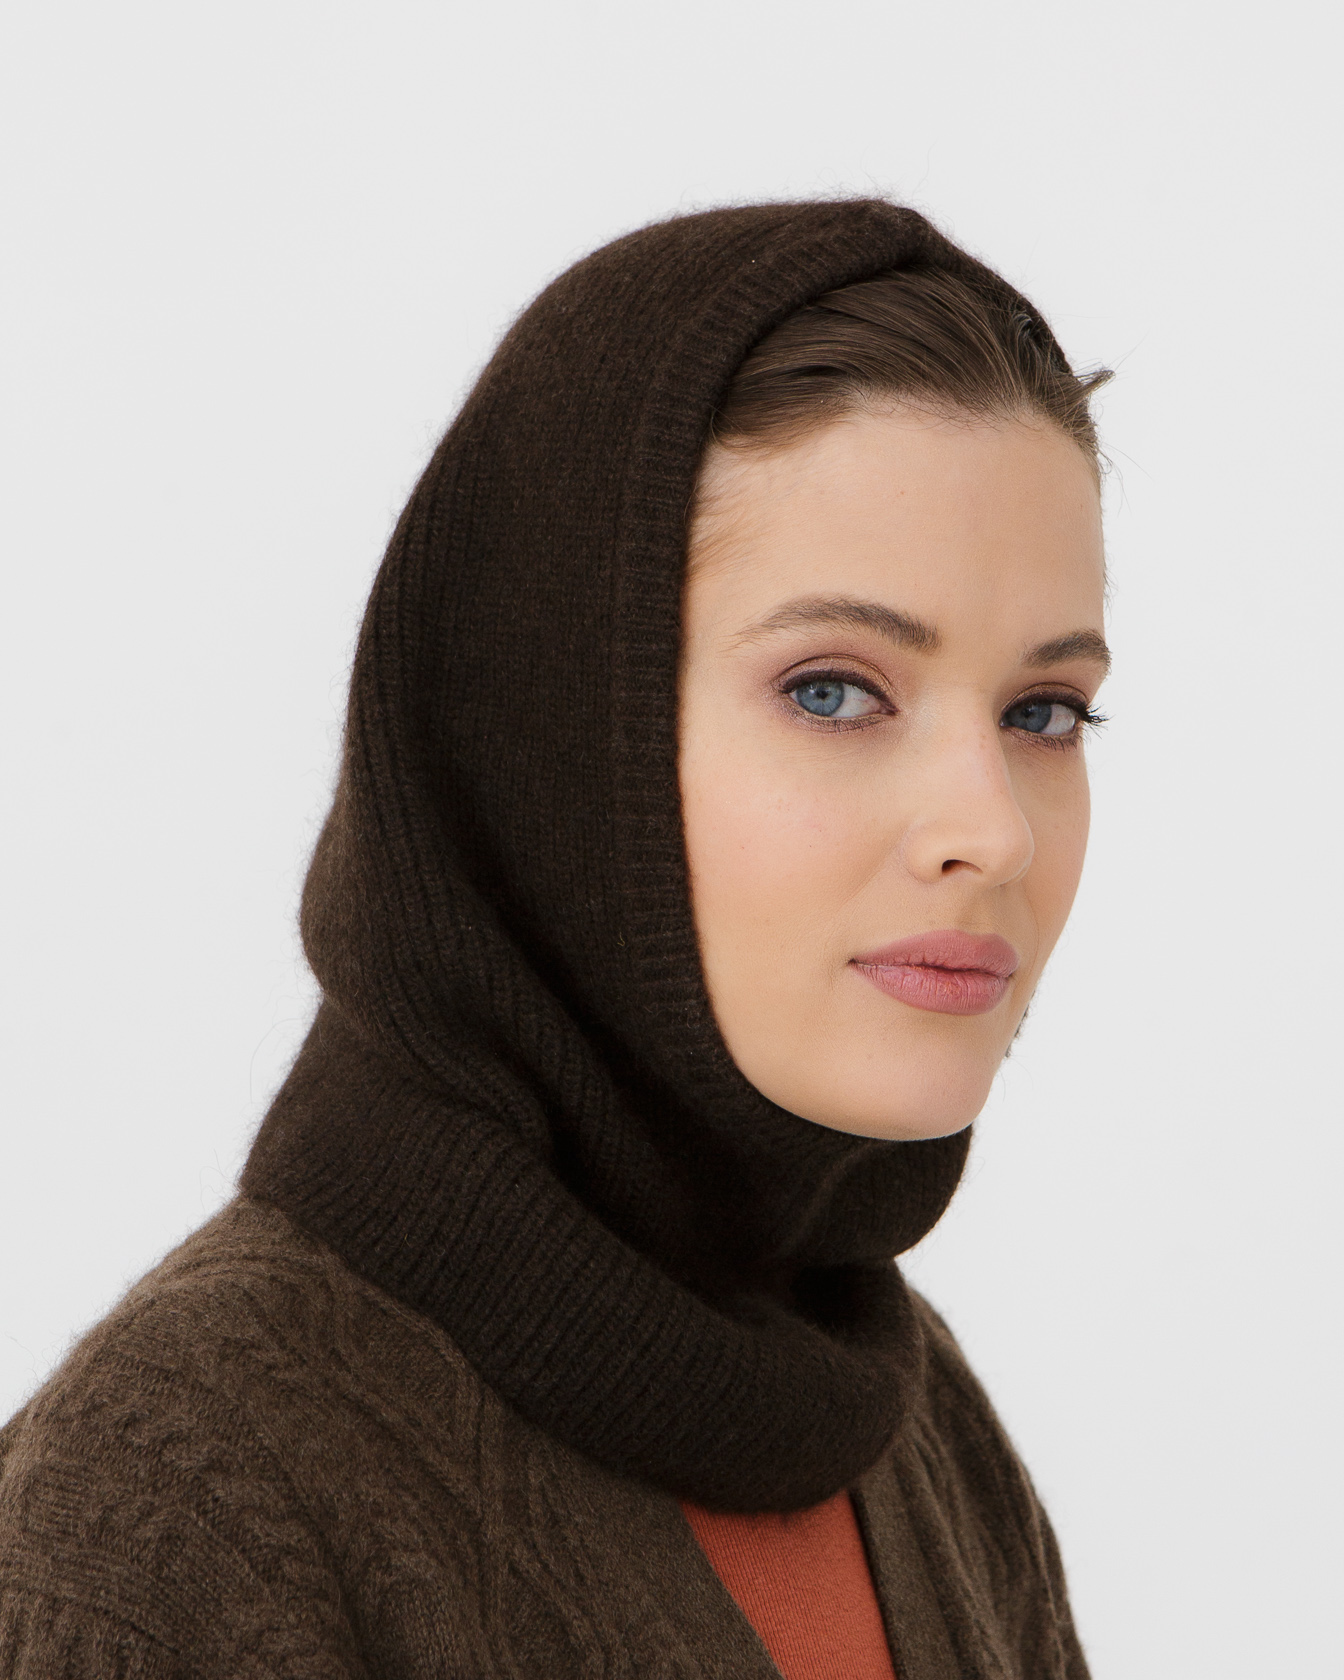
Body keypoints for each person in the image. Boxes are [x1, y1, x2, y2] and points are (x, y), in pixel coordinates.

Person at [0, 199, 1109, 1679]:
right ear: (548, 737)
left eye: (1044, 712)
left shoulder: (911, 1427)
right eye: (834, 691)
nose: (995, 830)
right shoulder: (175, 1515)